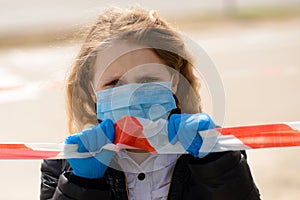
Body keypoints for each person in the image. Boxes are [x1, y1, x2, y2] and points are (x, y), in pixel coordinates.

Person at [40, 7, 260, 200]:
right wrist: (81, 184)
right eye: (114, 83)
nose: (130, 96)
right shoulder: (62, 165)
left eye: (147, 80)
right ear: (92, 91)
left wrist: (215, 163)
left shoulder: (218, 149)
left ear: (174, 81)